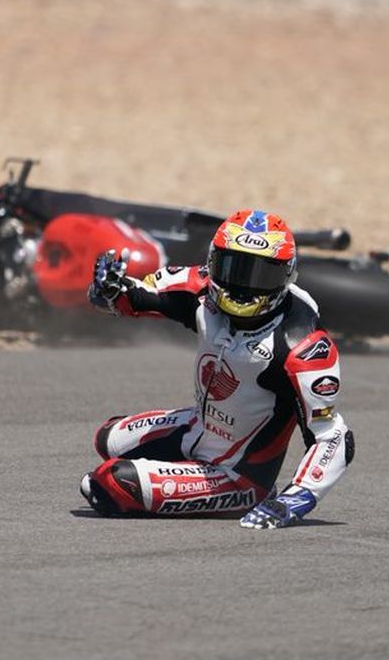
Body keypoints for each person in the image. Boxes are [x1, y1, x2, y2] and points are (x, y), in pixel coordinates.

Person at [80, 210, 355, 529]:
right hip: (198, 428)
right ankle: (187, 466)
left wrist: (296, 499)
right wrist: (109, 288)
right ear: (213, 262)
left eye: (259, 275)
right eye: (233, 268)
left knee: (107, 484)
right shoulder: (200, 288)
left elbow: (333, 437)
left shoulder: (303, 348)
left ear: (286, 275)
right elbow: (136, 297)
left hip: (239, 475)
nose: (242, 287)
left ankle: (254, 494)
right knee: (107, 439)